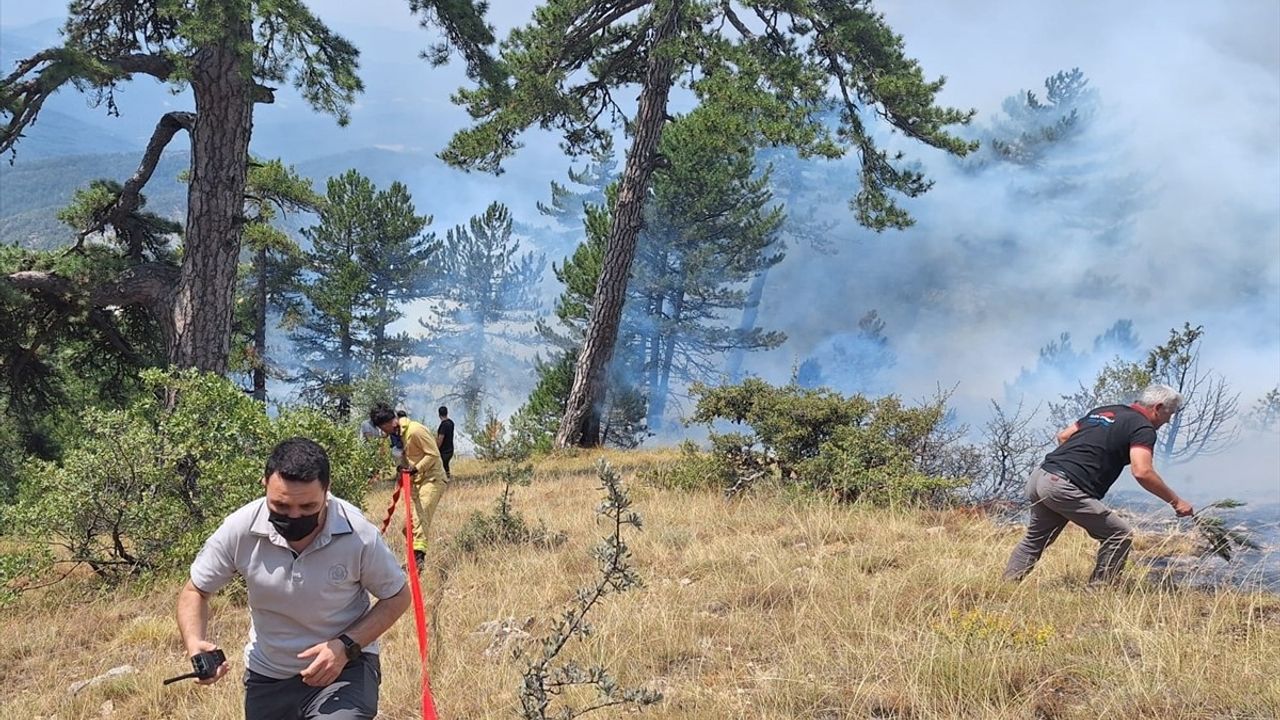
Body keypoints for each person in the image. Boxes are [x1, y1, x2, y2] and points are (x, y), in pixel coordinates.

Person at [176, 437, 409, 719]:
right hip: (268, 674)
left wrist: (346, 646)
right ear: (265, 484)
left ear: (327, 489)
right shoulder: (240, 529)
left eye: (308, 508)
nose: (295, 516)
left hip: (345, 669)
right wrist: (195, 642)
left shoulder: (358, 534)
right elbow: (195, 591)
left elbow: (398, 596)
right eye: (281, 507)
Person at [1003, 384, 1194, 584]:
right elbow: (1142, 471)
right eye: (1169, 413)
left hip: (1041, 476)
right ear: (1157, 407)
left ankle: (1007, 588)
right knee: (1119, 534)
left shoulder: (1106, 411)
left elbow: (1063, 436)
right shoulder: (1143, 428)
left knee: (1035, 539)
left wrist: (1076, 461)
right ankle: (1099, 591)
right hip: (1061, 485)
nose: (1168, 420)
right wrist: (1176, 501)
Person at [370, 404, 448, 568]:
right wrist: (403, 468)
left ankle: (418, 564)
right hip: (416, 483)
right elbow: (407, 458)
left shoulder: (415, 430)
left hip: (432, 480)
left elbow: (433, 454)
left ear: (388, 423)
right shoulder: (397, 436)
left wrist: (416, 468)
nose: (382, 432)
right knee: (407, 527)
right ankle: (413, 558)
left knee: (420, 518)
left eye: (382, 428)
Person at [436, 406, 455, 478]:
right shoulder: (451, 423)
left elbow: (441, 438)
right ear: (447, 413)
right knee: (445, 465)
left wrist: (436, 449)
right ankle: (447, 478)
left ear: (439, 415)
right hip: (450, 449)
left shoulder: (443, 425)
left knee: (441, 466)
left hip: (444, 451)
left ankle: (445, 480)